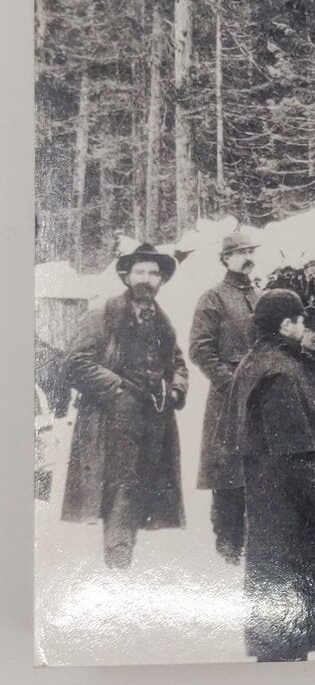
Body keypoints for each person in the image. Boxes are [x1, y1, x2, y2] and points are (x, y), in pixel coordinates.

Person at [227, 290, 315, 662]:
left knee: (281, 612)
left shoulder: (261, 361)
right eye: (300, 320)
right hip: (292, 512)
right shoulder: (280, 373)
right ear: (286, 325)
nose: (305, 327)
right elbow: (294, 454)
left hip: (273, 508)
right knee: (290, 618)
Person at [62, 243, 188, 570]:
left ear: (162, 280)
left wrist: (175, 389)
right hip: (110, 422)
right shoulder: (104, 315)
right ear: (127, 277)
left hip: (153, 421)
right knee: (120, 490)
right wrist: (117, 389)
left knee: (143, 491)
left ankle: (125, 562)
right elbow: (77, 362)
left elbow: (178, 364)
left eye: (154, 273)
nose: (147, 278)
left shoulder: (163, 322)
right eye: (140, 272)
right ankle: (118, 565)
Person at [191, 230, 260, 564]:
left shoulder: (262, 297)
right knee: (228, 474)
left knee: (259, 470)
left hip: (261, 397)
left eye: (251, 251)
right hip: (227, 400)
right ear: (225, 258)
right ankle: (228, 545)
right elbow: (199, 350)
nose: (248, 257)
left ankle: (256, 544)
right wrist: (231, 384)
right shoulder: (212, 299)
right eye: (240, 252)